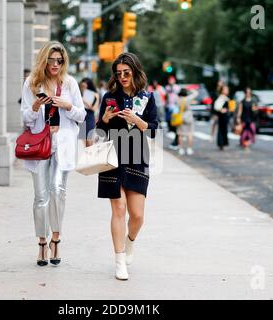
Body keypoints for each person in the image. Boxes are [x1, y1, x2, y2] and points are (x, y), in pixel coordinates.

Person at [20, 41, 86, 266]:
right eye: (51, 60)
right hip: (40, 145)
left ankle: (56, 240)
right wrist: (36, 106)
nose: (55, 64)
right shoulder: (32, 82)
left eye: (60, 60)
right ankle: (41, 243)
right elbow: (26, 119)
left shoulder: (69, 83)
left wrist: (67, 105)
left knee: (58, 191)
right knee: (41, 196)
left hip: (63, 143)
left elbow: (82, 115)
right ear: (44, 60)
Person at [96, 52, 158, 281]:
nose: (122, 77)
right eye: (118, 73)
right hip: (112, 157)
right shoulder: (109, 97)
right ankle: (119, 260)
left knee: (138, 216)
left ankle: (130, 242)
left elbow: (154, 130)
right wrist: (104, 119)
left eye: (126, 73)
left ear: (135, 72)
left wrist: (137, 121)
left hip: (137, 157)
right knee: (119, 209)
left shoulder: (147, 98)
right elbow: (98, 133)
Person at [177, 88, 198, 156]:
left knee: (180, 134)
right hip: (189, 117)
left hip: (181, 117)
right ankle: (189, 149)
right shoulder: (188, 98)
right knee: (189, 133)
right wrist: (190, 90)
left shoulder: (178, 100)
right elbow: (196, 93)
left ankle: (181, 149)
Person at [79, 77, 100, 147]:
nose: (83, 88)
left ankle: (90, 157)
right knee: (83, 141)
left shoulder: (95, 95)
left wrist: (84, 101)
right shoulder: (79, 94)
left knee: (89, 140)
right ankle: (85, 157)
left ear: (89, 85)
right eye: (82, 86)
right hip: (81, 118)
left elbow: (94, 108)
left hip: (90, 117)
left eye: (84, 86)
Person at [214, 85, 230, 151]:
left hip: (225, 116)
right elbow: (216, 106)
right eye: (225, 89)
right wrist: (221, 110)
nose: (227, 91)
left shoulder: (226, 98)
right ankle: (221, 143)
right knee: (221, 130)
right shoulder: (221, 97)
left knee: (224, 130)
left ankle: (223, 143)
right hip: (222, 116)